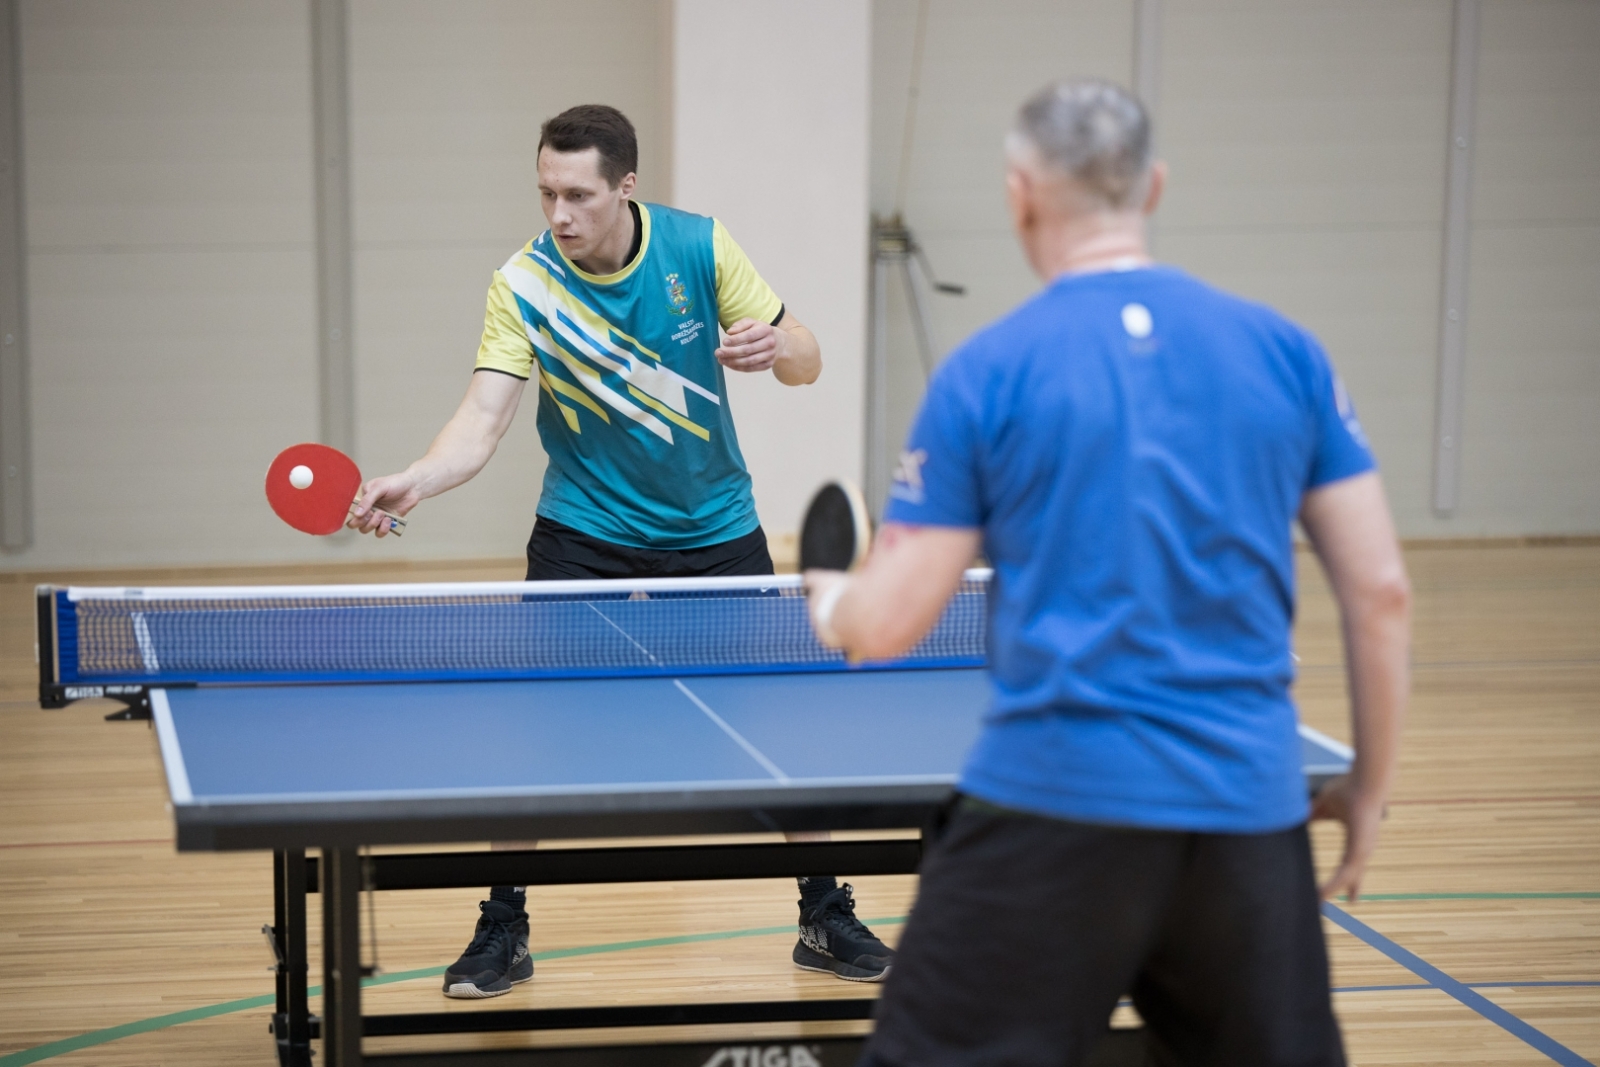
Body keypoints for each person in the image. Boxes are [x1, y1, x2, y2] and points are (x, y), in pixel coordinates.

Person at [805, 80, 1410, 1066]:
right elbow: (1381, 592)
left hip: (1052, 809)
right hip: (1244, 815)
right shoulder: (1285, 352)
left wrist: (830, 599)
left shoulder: (986, 371)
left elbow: (889, 624)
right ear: (1153, 186)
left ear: (1018, 193)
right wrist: (1368, 786)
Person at [349, 104, 895, 997]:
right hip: (584, 534)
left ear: (625, 187)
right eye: (546, 192)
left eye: (578, 194)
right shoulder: (522, 283)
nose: (559, 214)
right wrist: (418, 477)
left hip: (714, 527)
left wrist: (779, 344)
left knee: (775, 723)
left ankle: (824, 912)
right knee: (538, 732)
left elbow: (808, 360)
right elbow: (483, 419)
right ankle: (503, 923)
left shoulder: (699, 248)